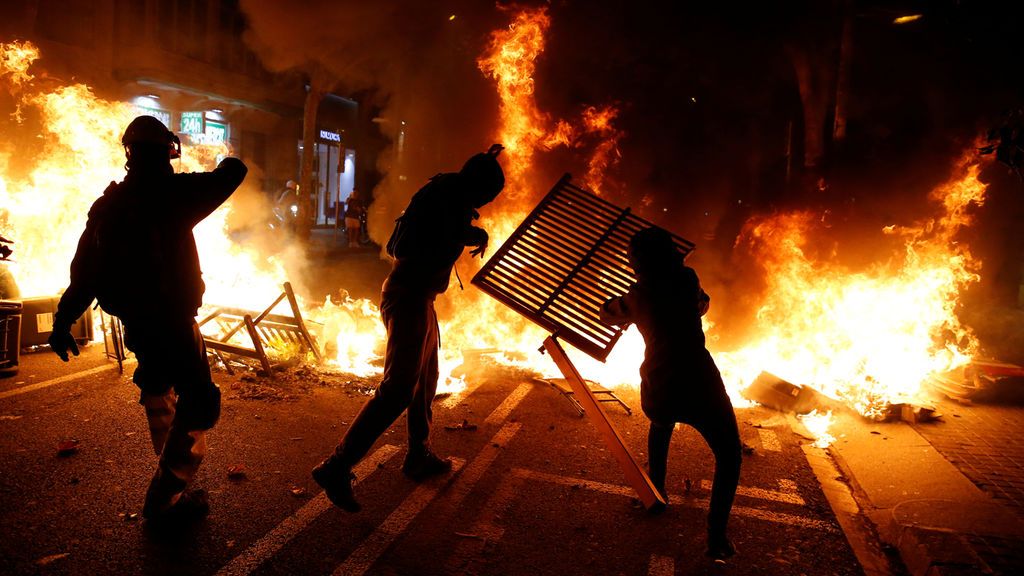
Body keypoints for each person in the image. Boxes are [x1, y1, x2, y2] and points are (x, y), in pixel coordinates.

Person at [47, 115, 247, 523]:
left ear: (128, 154)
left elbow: (85, 271)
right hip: (174, 319)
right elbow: (235, 172)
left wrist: (62, 321)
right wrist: (222, 157)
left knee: (158, 393)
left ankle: (174, 494)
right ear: (168, 151)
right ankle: (164, 495)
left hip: (137, 321)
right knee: (201, 403)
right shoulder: (176, 193)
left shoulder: (109, 205)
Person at [312, 144, 505, 512]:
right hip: (408, 296)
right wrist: (471, 234)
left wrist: (470, 232)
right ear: (479, 185)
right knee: (399, 389)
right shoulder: (446, 195)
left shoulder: (447, 193)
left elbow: (440, 228)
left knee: (426, 379)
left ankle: (418, 454)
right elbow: (432, 232)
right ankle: (336, 466)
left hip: (420, 298)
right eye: (489, 194)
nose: (488, 201)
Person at [599, 227, 741, 560]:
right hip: (700, 380)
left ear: (641, 262)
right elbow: (703, 304)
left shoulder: (639, 295)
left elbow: (607, 314)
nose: (630, 262)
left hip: (661, 383)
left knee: (661, 424)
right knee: (729, 455)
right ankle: (716, 536)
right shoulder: (687, 278)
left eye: (632, 257)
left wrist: (621, 309)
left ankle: (656, 491)